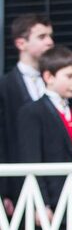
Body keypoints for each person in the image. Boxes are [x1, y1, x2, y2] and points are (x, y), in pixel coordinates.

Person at [18, 45, 72, 230]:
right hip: (52, 199)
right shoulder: (32, 112)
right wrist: (41, 204)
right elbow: (31, 159)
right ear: (48, 76)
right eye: (69, 76)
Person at [0, 13, 54, 213]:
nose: (50, 42)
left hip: (54, 184)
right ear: (21, 43)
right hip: (16, 183)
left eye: (50, 36)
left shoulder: (57, 82)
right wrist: (4, 191)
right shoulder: (4, 86)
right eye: (41, 37)